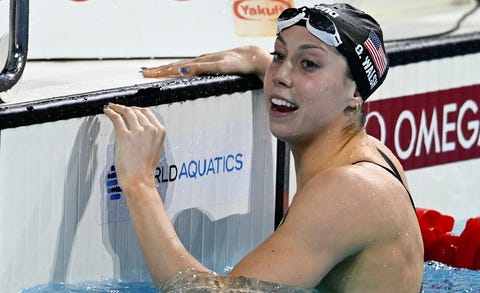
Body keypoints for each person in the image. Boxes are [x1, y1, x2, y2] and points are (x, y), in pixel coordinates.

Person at [104, 3, 424, 292]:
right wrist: (259, 60)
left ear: (355, 93)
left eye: (309, 64)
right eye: (280, 55)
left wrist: (140, 183)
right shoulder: (375, 157)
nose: (282, 76)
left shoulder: (347, 191)